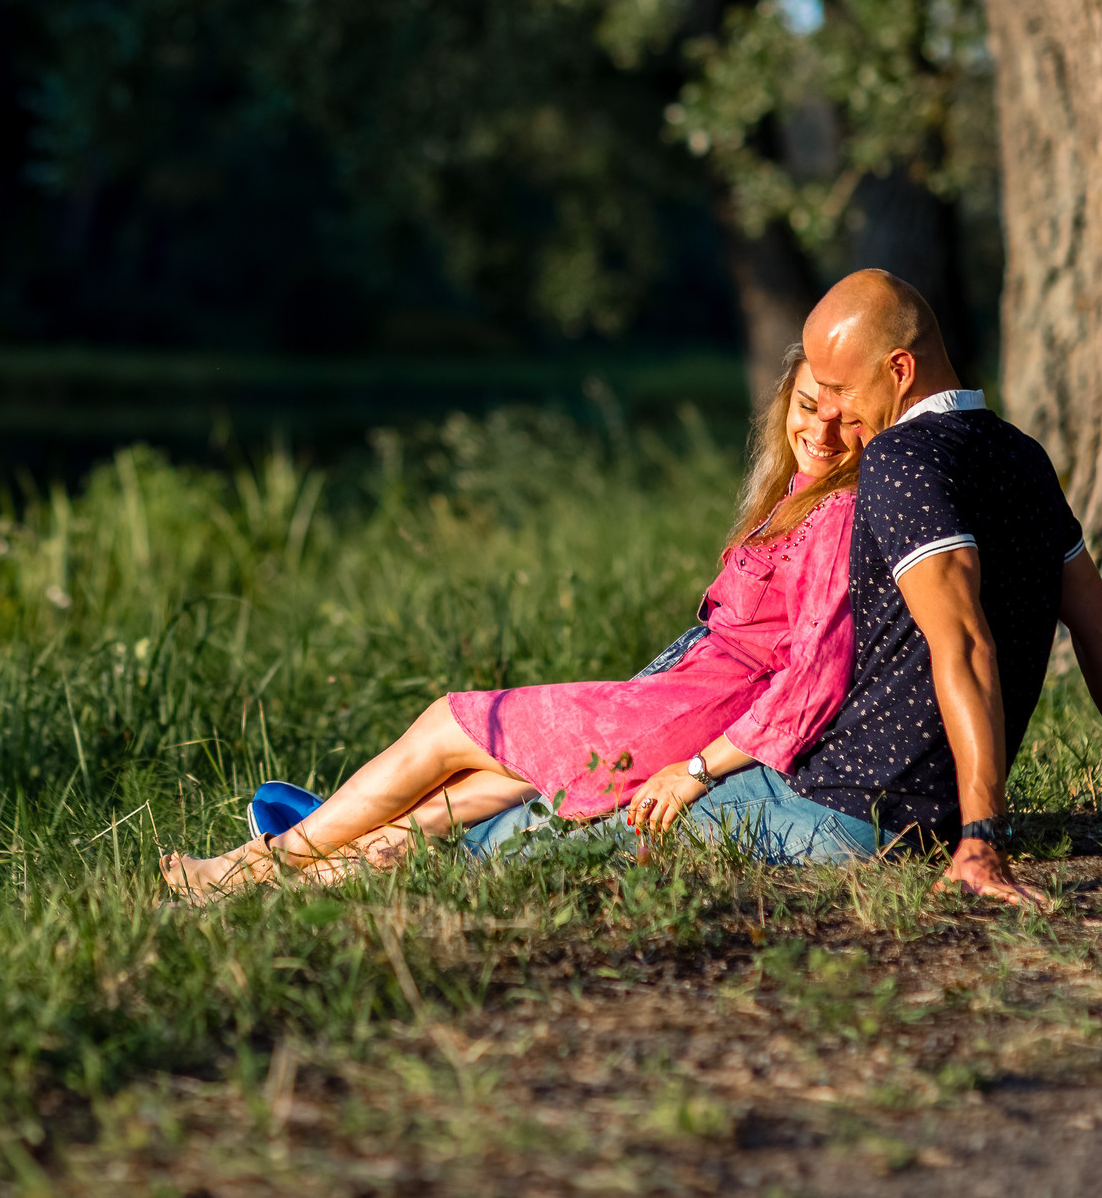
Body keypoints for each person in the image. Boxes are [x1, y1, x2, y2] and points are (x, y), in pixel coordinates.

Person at [159, 346, 867, 901]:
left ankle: (256, 863)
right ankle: (303, 878)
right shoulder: (802, 494)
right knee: (458, 799)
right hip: (683, 694)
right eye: (806, 405)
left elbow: (815, 677)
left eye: (841, 418)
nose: (820, 430)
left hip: (691, 712)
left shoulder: (836, 514)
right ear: (783, 403)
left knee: (450, 724)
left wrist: (695, 769)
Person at [599, 269, 1102, 900]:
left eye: (837, 388)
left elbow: (964, 643)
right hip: (922, 822)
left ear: (900, 369)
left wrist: (983, 839)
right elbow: (1100, 627)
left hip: (843, 810)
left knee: (587, 824)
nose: (825, 411)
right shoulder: (1022, 455)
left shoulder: (898, 460)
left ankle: (478, 859)